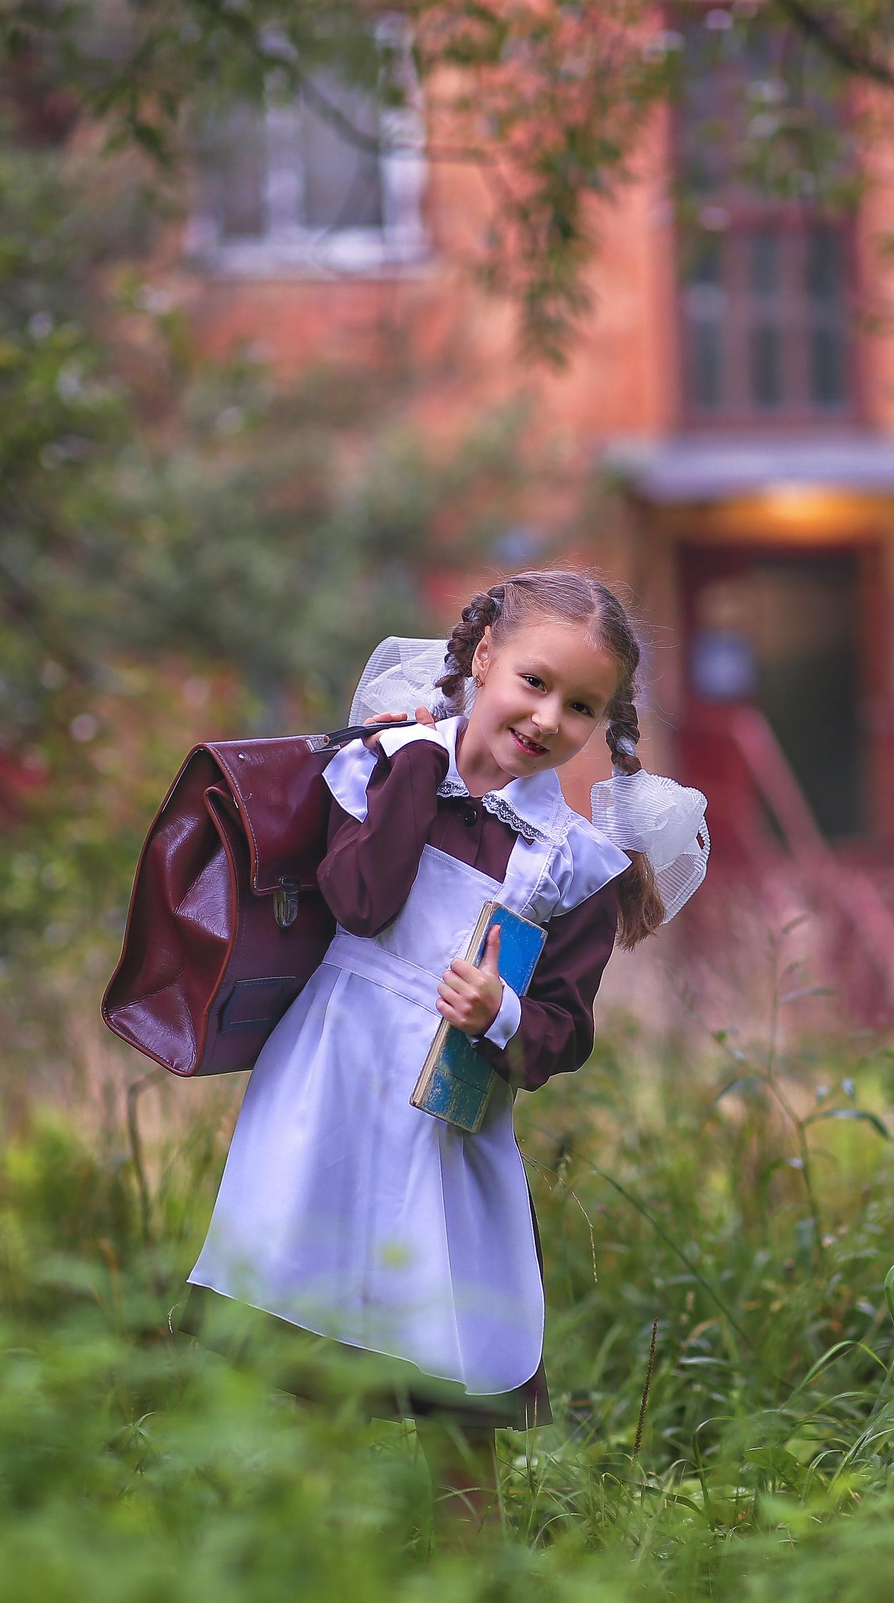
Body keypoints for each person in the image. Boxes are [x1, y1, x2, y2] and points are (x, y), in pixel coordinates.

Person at [187, 568, 709, 1538]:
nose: (550, 717)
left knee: (455, 1365)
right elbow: (360, 902)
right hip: (334, 1086)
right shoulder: (388, 767)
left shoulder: (570, 860)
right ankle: (310, 1561)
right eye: (534, 682)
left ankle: (474, 1574)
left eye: (582, 706)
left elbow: (565, 1030)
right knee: (307, 1324)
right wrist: (417, 769)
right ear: (481, 659)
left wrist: (500, 1014)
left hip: (447, 1125)